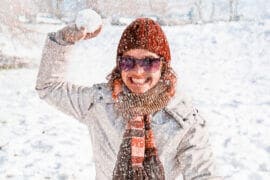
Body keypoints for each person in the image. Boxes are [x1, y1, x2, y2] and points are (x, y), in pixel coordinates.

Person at [36, 18, 221, 180]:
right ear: (119, 65)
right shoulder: (98, 103)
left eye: (149, 62)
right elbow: (49, 87)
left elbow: (204, 174)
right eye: (128, 61)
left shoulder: (185, 122)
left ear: (163, 66)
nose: (138, 71)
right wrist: (62, 40)